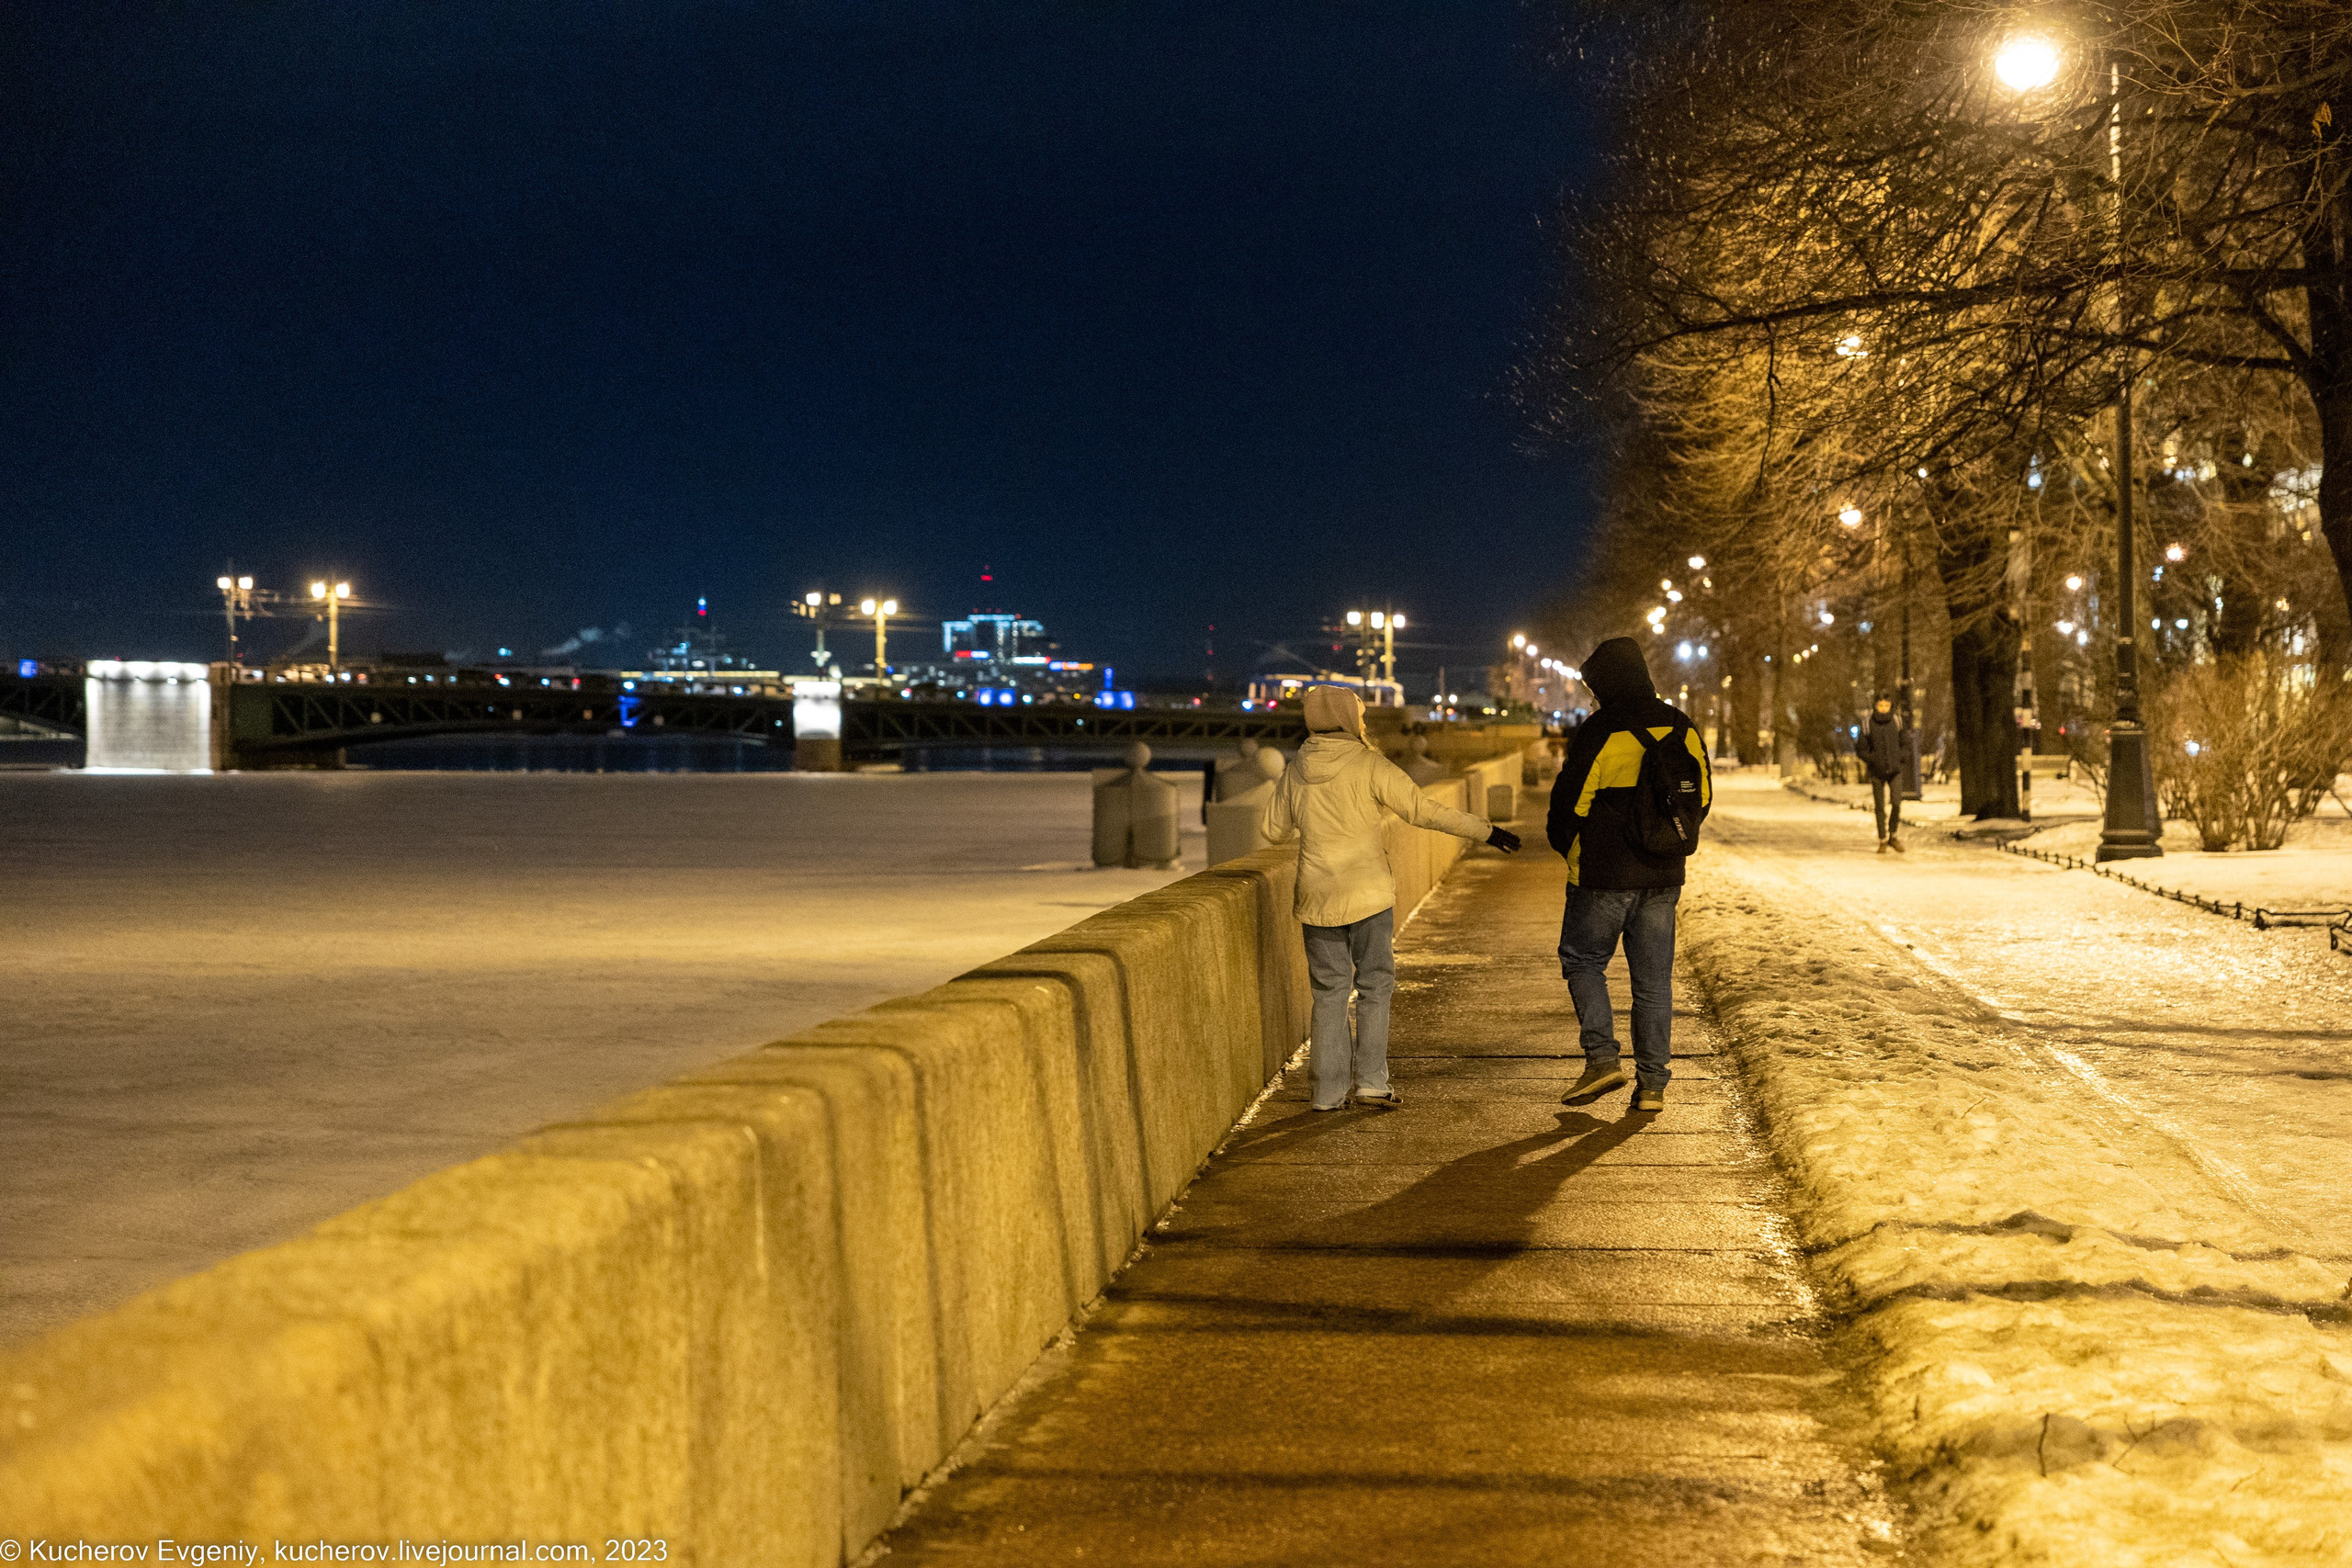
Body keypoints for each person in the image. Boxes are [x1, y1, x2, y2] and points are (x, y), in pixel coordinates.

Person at [1261, 684, 1520, 1111]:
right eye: (1359, 715)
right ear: (1348, 719)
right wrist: (1485, 831)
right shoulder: (1369, 765)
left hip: (1317, 898)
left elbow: (1273, 829)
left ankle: (1326, 1093)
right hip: (1369, 896)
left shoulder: (1296, 770)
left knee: (1329, 992)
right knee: (1375, 987)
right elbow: (1421, 809)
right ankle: (1371, 1084)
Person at [1546, 637, 1712, 1114]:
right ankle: (1653, 1086)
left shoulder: (1602, 730)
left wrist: (1569, 848)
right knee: (1654, 983)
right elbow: (1699, 799)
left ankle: (1602, 1059)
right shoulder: (1683, 727)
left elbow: (1569, 805)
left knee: (1581, 959)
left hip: (1602, 875)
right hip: (1663, 876)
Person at [1858, 696, 1906, 852]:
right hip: (1877, 771)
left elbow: (1905, 743)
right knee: (1879, 806)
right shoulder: (1868, 723)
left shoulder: (1897, 721)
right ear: (1876, 706)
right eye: (1881, 705)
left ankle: (1893, 835)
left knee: (1897, 803)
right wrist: (1873, 759)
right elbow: (1861, 748)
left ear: (1891, 705)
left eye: (1887, 705)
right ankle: (1882, 840)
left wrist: (1900, 757)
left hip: (1895, 770)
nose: (1884, 708)